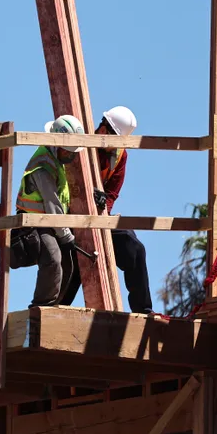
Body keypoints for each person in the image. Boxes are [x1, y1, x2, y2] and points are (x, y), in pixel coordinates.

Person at [59, 105, 155, 314]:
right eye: (112, 137)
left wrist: (102, 205)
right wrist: (82, 197)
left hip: (98, 220)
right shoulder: (79, 146)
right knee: (76, 262)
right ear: (102, 128)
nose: (114, 145)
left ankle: (144, 310)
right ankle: (52, 310)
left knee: (134, 248)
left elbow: (112, 193)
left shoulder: (120, 156)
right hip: (68, 219)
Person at [10, 114, 86, 307]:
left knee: (69, 262)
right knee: (53, 258)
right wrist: (66, 236)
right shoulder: (43, 165)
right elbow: (52, 204)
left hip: (49, 222)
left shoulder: (55, 162)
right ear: (56, 145)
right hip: (33, 222)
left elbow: (60, 197)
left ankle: (58, 305)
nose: (71, 155)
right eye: (68, 152)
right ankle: (41, 307)